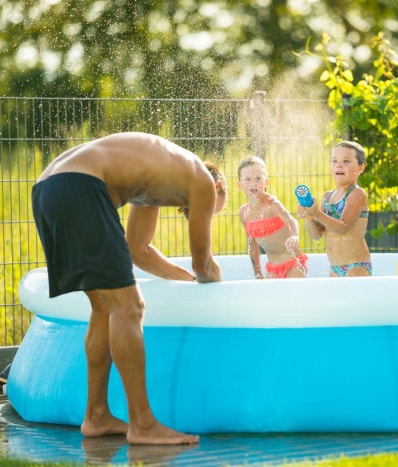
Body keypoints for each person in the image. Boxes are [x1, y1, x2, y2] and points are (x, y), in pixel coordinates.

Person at [31, 132, 228, 445]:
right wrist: (218, 286)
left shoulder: (158, 175)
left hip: (48, 188)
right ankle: (143, 424)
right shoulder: (202, 180)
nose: (196, 216)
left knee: (105, 306)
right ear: (217, 188)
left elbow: (137, 249)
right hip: (80, 186)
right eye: (208, 211)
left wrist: (181, 277)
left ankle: (96, 416)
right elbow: (203, 264)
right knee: (130, 306)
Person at [297, 141, 371, 277]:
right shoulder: (327, 197)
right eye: (334, 160)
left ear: (361, 168)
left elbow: (343, 227)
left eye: (346, 161)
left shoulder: (357, 194)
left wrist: (316, 213)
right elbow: (317, 234)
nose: (339, 164)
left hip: (355, 266)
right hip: (335, 268)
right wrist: (309, 216)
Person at [237, 156, 307, 279]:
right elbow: (252, 246)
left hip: (294, 263)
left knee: (292, 295)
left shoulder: (272, 204)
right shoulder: (244, 213)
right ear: (240, 185)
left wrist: (294, 236)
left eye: (258, 178)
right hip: (273, 267)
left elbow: (291, 220)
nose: (253, 183)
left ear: (266, 182)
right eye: (247, 179)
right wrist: (257, 273)